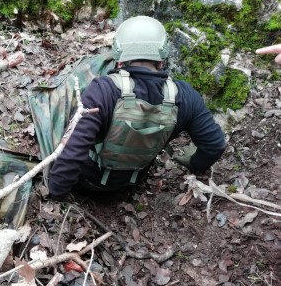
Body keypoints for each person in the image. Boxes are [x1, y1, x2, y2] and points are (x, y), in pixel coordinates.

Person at [47, 16, 226, 201]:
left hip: (86, 181)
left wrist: (57, 195)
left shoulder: (102, 91)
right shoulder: (186, 96)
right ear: (162, 59)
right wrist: (196, 163)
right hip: (128, 184)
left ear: (118, 57)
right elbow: (215, 144)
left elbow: (72, 153)